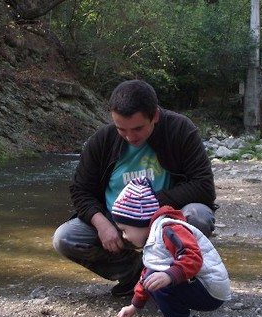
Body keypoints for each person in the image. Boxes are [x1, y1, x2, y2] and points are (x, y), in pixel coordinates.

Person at [52, 79, 216, 297]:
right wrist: (102, 224)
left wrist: (144, 206)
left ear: (154, 116)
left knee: (198, 216)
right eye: (122, 129)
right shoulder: (102, 140)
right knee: (65, 237)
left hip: (166, 219)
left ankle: (176, 278)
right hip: (116, 221)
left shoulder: (179, 129)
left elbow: (203, 186)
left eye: (138, 128)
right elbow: (81, 190)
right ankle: (135, 275)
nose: (130, 137)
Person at [112, 177, 231, 317]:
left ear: (140, 222)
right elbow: (146, 276)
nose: (124, 236)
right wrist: (134, 307)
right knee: (153, 277)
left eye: (125, 229)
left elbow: (192, 257)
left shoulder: (169, 229)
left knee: (160, 282)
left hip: (210, 289)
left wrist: (168, 276)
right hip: (199, 284)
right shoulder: (153, 237)